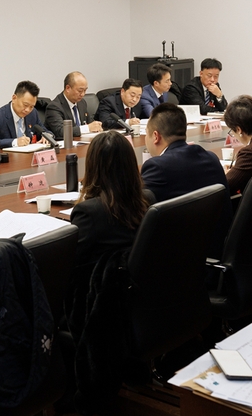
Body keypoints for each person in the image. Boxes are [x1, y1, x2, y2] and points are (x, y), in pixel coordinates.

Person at [71, 132, 152, 273]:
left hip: (99, 284)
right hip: (139, 281)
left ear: (92, 167)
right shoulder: (148, 199)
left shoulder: (88, 213)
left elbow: (70, 263)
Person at [141, 104, 228, 203]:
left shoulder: (157, 167)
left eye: (146, 133)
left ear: (156, 136)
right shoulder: (211, 158)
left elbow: (135, 204)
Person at [0, 80, 52, 148]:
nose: (28, 110)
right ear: (14, 98)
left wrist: (47, 136)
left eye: (31, 106)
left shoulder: (33, 114)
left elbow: (45, 131)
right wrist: (14, 142)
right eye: (25, 105)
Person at [44, 71, 103, 137]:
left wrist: (96, 126)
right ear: (68, 88)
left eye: (85, 90)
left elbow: (89, 122)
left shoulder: (82, 103)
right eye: (80, 91)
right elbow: (60, 131)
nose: (83, 94)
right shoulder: (54, 107)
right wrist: (87, 128)